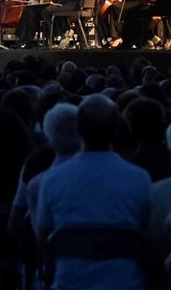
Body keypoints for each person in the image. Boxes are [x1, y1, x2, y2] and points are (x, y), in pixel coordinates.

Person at [34, 95, 150, 290]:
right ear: (115, 130)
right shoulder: (140, 178)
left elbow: (44, 238)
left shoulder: (53, 179)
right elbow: (144, 230)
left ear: (78, 130)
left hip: (69, 283)